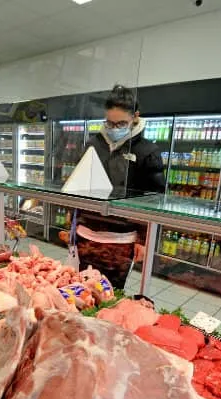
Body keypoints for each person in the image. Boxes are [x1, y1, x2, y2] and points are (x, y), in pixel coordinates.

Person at [62, 85, 166, 290]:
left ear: (135, 117)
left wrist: (144, 240)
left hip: (121, 240)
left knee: (109, 292)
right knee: (79, 289)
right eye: (109, 122)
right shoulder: (93, 144)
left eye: (121, 123)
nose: (114, 128)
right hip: (86, 234)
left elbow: (155, 200)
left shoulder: (147, 151)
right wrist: (71, 225)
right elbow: (78, 186)